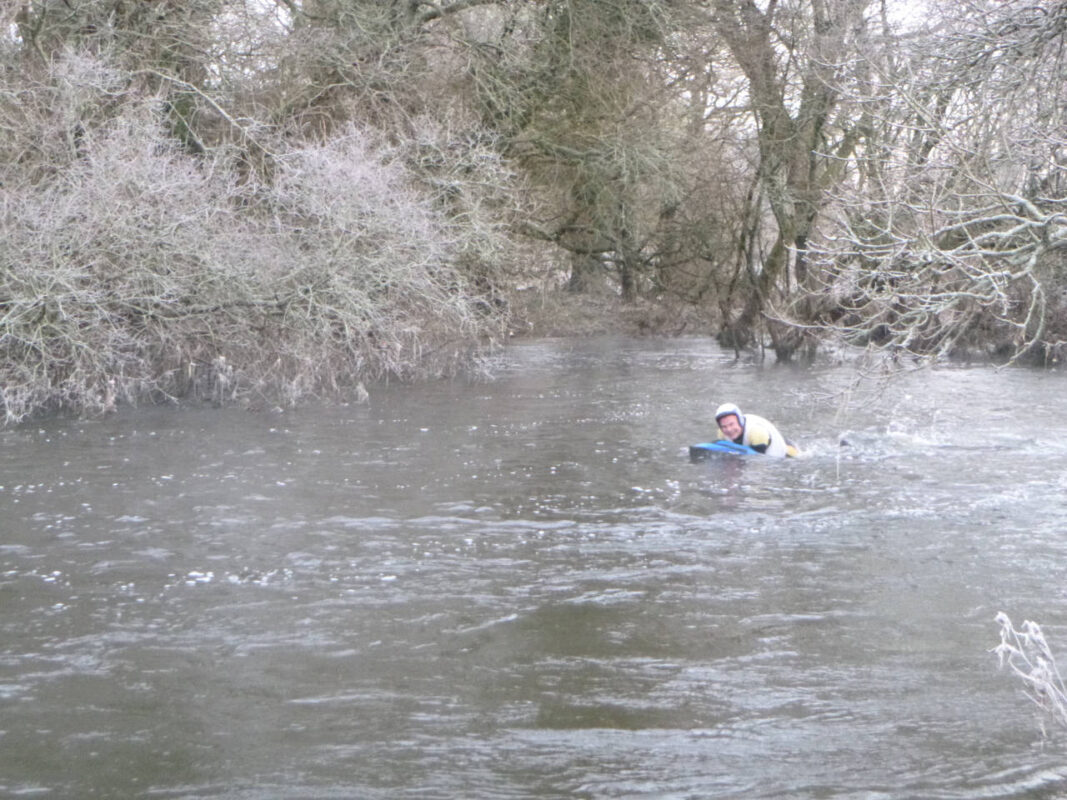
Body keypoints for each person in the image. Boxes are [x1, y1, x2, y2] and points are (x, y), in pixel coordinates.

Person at [714, 402, 799, 458]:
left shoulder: (757, 432)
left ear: (740, 421)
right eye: (724, 426)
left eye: (731, 424)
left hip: (787, 453)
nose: (729, 429)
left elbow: (757, 459)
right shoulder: (721, 433)